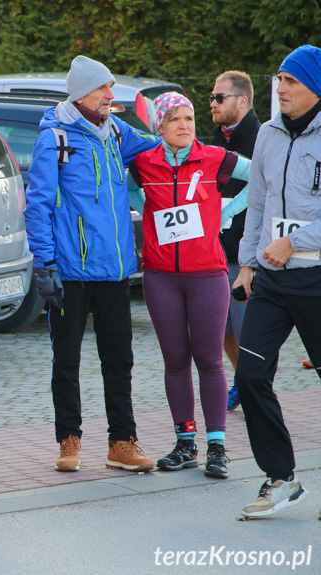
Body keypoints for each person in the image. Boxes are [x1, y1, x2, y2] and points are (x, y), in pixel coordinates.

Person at [25, 55, 160, 473]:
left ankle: (122, 441)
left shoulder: (117, 132)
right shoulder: (56, 138)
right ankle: (69, 440)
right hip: (69, 272)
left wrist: (178, 127)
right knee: (66, 359)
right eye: (104, 88)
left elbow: (160, 145)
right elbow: (38, 204)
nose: (110, 95)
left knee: (119, 360)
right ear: (82, 92)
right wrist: (45, 264)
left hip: (115, 271)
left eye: (111, 87)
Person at [128, 92, 251, 480]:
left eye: (190, 119)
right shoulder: (144, 163)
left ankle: (217, 447)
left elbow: (260, 176)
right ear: (160, 127)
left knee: (210, 360)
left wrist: (226, 210)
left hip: (207, 274)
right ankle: (186, 443)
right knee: (175, 361)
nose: (184, 125)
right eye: (176, 119)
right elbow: (134, 196)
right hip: (161, 275)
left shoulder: (215, 157)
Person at [233, 45, 321, 518]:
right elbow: (259, 204)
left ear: (316, 88)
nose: (281, 88)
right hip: (271, 277)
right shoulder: (266, 134)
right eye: (280, 80)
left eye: (292, 81)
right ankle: (281, 478)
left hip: (317, 277)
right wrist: (248, 263)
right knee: (250, 375)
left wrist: (298, 241)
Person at [209, 71, 262, 412]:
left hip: (246, 253)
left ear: (242, 101)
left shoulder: (262, 137)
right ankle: (244, 384)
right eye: (212, 98)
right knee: (223, 330)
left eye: (219, 98)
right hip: (216, 250)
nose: (212, 104)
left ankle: (257, 391)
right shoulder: (216, 140)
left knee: (248, 332)